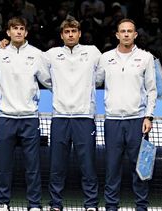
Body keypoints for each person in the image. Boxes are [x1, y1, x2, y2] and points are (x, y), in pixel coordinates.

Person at [96, 18, 157, 211]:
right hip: (112, 121)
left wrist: (148, 116)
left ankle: (141, 207)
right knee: (112, 169)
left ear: (135, 34)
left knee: (140, 169)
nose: (126, 34)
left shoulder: (146, 58)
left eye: (130, 31)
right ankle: (111, 206)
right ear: (117, 35)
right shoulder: (105, 58)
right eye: (122, 31)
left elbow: (152, 90)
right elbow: (93, 81)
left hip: (137, 121)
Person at [0, 17, 51, 211]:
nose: (18, 31)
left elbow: (49, 81)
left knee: (32, 166)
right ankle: (2, 202)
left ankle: (34, 204)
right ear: (8, 32)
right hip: (5, 117)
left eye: (21, 29)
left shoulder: (36, 54)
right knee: (3, 166)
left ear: (26, 32)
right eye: (14, 29)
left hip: (29, 117)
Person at [44, 18, 101, 211]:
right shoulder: (51, 54)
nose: (70, 34)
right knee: (57, 165)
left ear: (79, 33)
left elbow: (100, 76)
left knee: (88, 165)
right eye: (67, 31)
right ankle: (55, 204)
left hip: (84, 117)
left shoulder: (92, 52)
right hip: (60, 117)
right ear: (62, 35)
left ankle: (91, 204)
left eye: (74, 31)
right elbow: (43, 76)